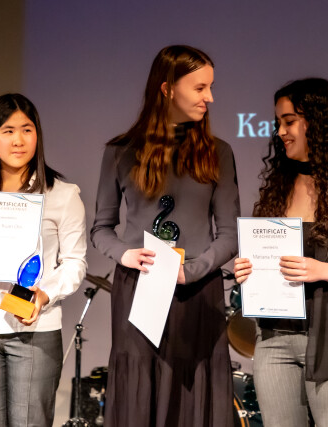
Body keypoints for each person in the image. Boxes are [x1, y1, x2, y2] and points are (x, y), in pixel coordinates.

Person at [91, 45, 240, 427]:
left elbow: (229, 234)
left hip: (198, 292)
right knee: (140, 390)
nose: (210, 97)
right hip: (138, 288)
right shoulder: (121, 151)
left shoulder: (218, 153)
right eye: (200, 88)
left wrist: (193, 270)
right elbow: (101, 229)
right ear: (167, 89)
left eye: (210, 87)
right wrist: (126, 255)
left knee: (193, 398)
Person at [234, 78, 328, 426]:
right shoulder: (278, 191)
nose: (280, 132)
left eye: (289, 121)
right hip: (274, 339)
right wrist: (249, 271)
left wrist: (323, 270)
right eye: (278, 122)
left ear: (317, 123)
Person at [0, 93, 87, 427]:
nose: (18, 140)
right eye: (8, 131)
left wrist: (44, 295)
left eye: (27, 130)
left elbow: (75, 263)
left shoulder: (63, 195)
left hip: (35, 330)